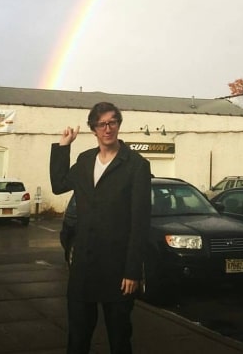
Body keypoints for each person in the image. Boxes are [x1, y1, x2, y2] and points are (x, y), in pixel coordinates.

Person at [50, 101, 151, 354]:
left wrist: (132, 271)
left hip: (118, 272)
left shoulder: (136, 165)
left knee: (119, 341)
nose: (108, 128)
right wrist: (63, 147)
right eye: (101, 124)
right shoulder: (85, 161)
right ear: (93, 129)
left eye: (112, 122)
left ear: (118, 124)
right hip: (83, 268)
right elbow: (59, 184)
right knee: (77, 341)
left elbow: (140, 221)